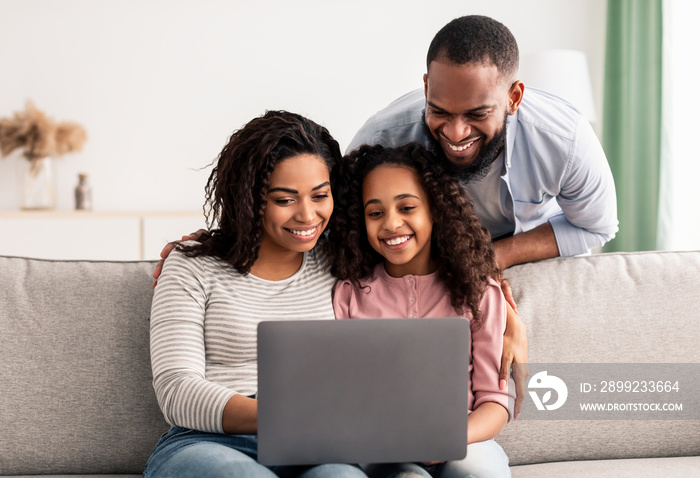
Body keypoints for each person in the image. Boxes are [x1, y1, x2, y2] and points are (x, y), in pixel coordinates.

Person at [144, 110, 368, 478]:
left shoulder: (341, 262)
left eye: (320, 196)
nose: (308, 215)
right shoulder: (191, 267)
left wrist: (498, 305)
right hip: (209, 441)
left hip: (315, 445)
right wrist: (285, 416)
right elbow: (176, 390)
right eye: (285, 200)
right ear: (249, 198)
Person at [329, 143, 513, 478]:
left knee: (476, 470)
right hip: (384, 448)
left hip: (464, 441)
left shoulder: (479, 292)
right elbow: (343, 398)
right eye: (375, 213)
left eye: (407, 207)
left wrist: (449, 439)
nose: (391, 223)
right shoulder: (348, 295)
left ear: (435, 210)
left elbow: (495, 402)